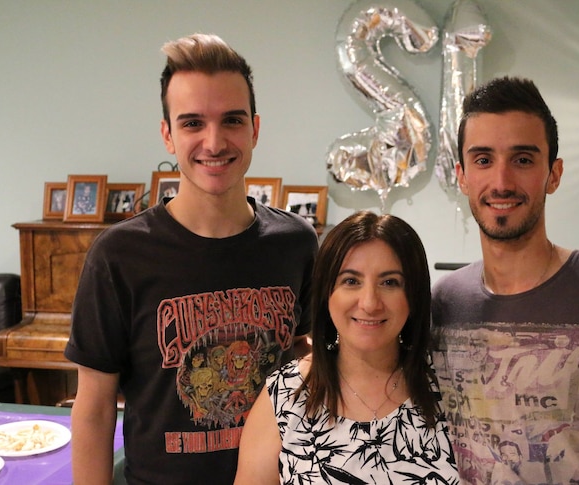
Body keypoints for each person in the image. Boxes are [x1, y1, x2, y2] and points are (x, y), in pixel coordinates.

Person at [64, 33, 317, 485]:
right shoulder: (118, 256)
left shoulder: (296, 243)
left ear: (255, 129)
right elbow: (94, 409)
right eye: (193, 123)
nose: (214, 141)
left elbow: (305, 357)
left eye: (232, 120)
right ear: (168, 134)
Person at [431, 77, 579, 485]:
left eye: (522, 159)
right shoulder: (442, 305)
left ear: (553, 174)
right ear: (463, 176)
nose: (501, 182)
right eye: (483, 160)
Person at [234, 211, 459, 485]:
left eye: (390, 282)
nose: (369, 303)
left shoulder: (451, 387)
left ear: (413, 295)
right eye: (351, 281)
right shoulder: (284, 397)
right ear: (327, 292)